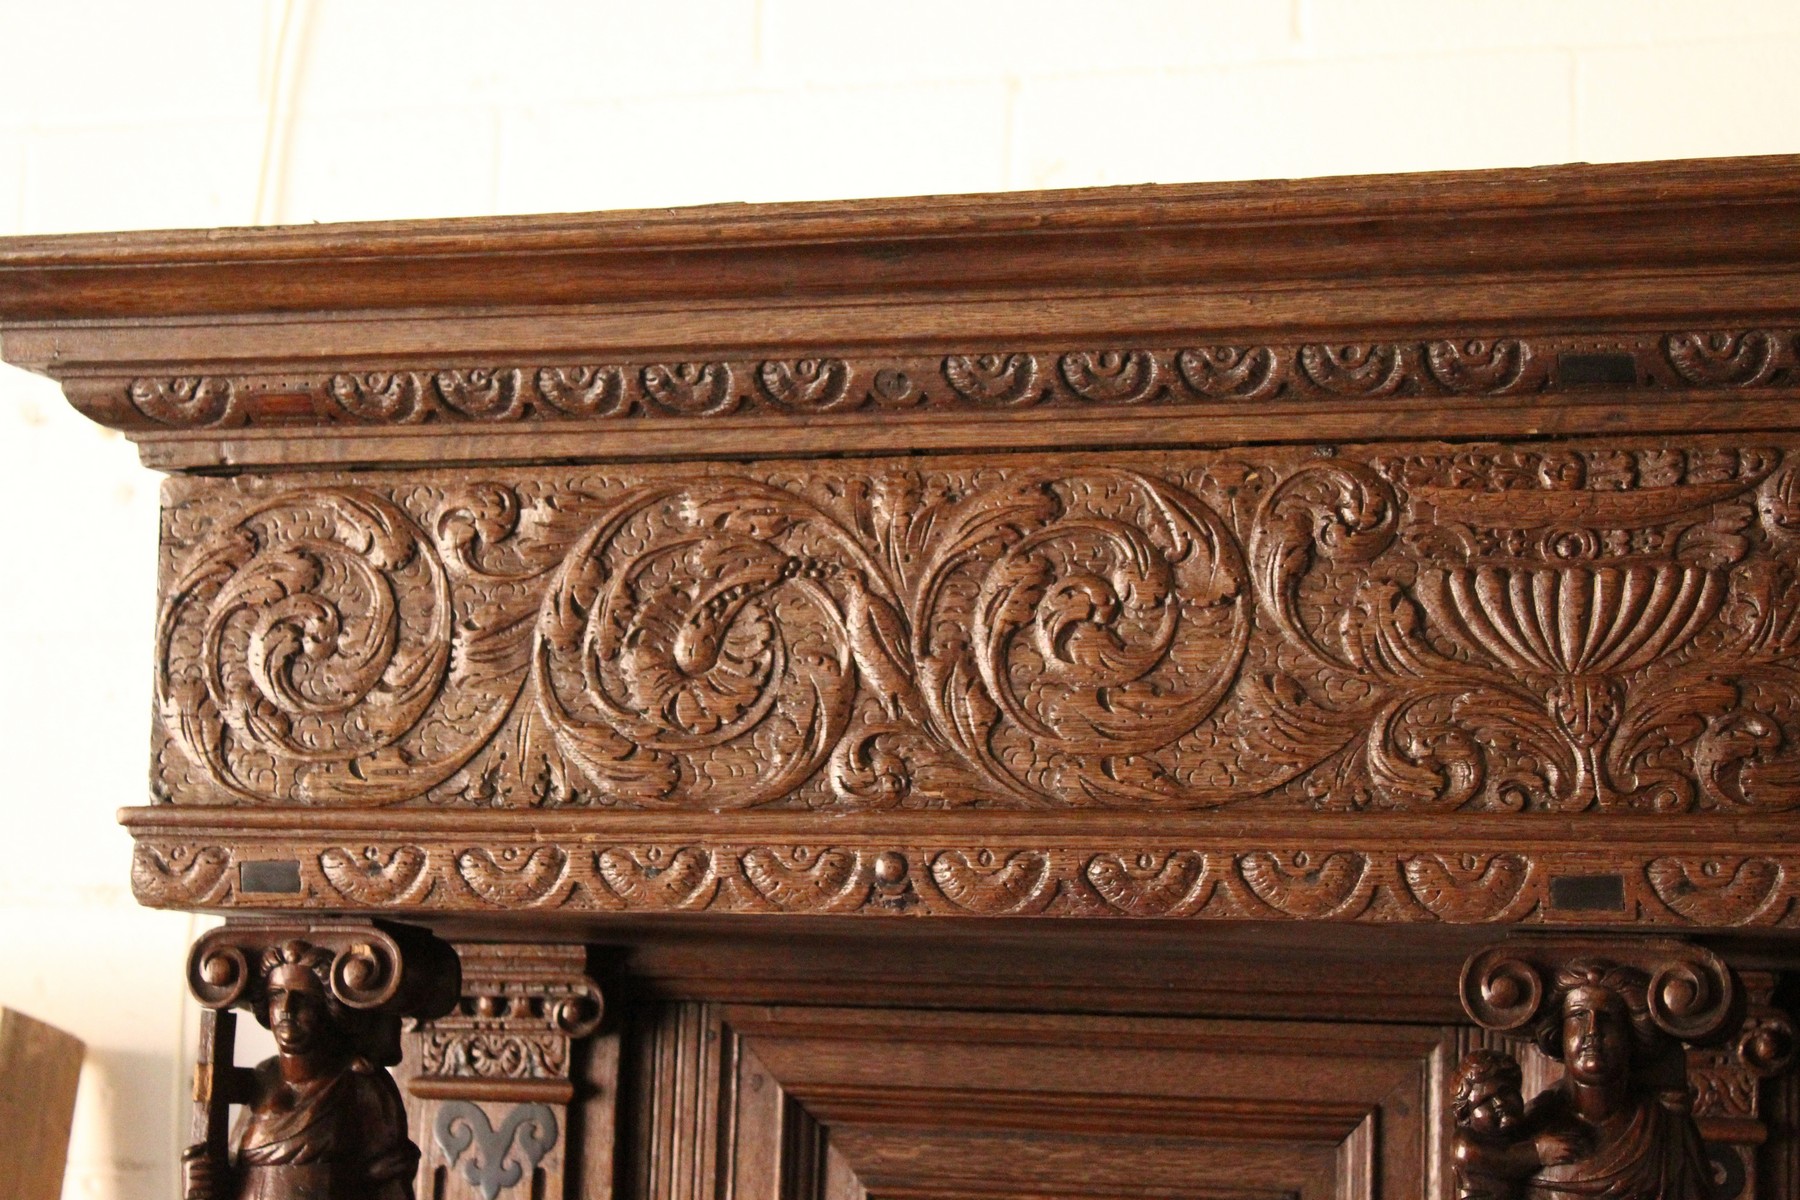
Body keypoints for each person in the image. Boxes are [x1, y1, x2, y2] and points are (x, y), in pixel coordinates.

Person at [183, 940, 419, 1200]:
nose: (286, 1009)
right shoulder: (260, 1082)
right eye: (276, 995)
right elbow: (240, 1180)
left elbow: (391, 1186)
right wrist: (200, 1183)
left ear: (328, 1005)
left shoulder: (359, 1084)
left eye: (303, 997)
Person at [1520, 960, 1714, 1200]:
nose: (1592, 1030)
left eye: (1607, 1018)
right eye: (1579, 1015)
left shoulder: (1666, 1131)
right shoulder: (1533, 1128)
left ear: (1630, 1033)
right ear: (1559, 1033)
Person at [1451, 1049, 1583, 1200]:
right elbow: (1506, 1161)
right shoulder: (1465, 1147)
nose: (1500, 1103)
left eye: (1506, 1091)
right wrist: (1541, 1151)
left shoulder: (1514, 1129)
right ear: (1466, 1114)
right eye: (1485, 1101)